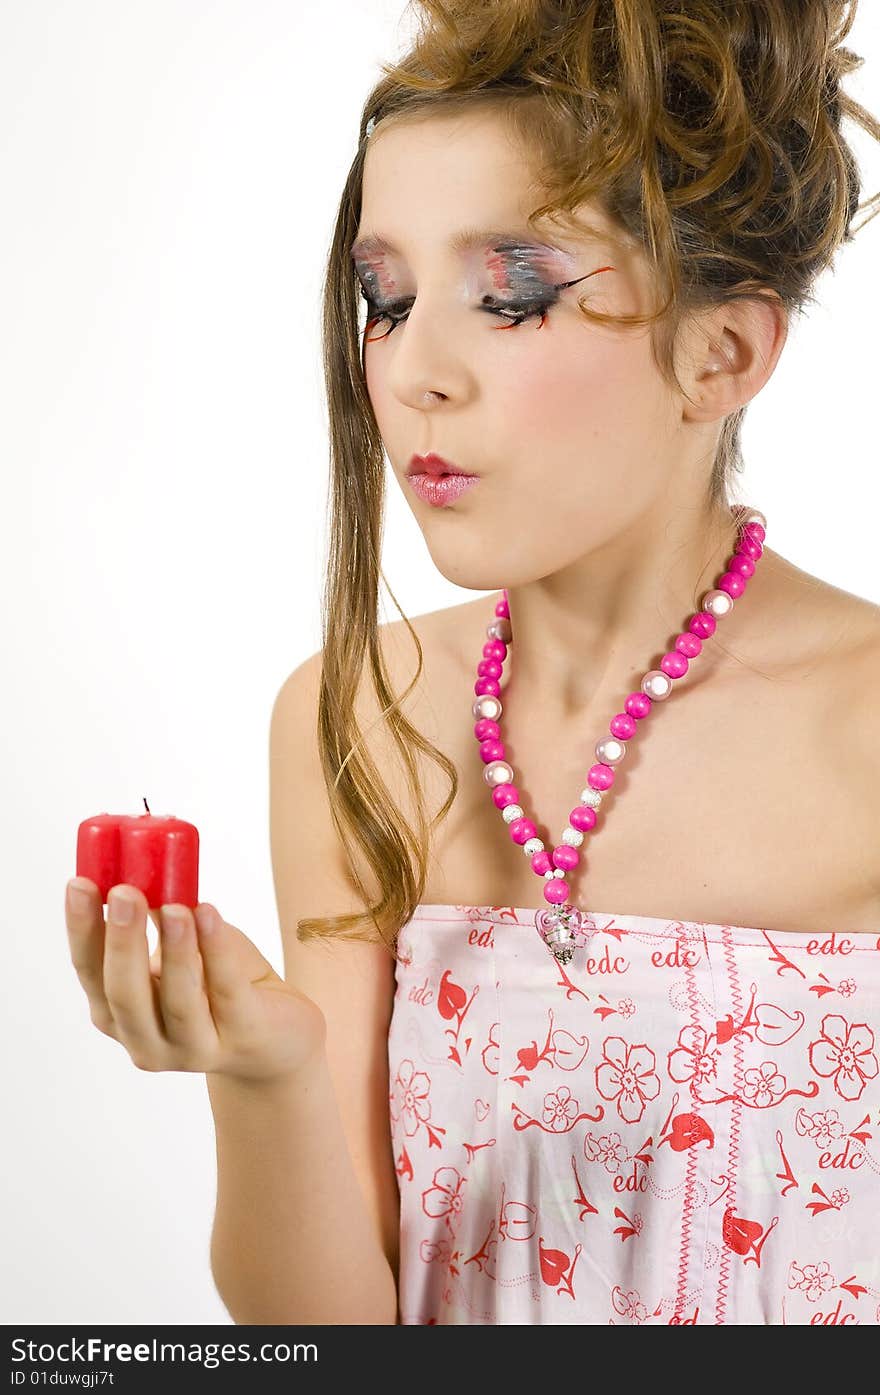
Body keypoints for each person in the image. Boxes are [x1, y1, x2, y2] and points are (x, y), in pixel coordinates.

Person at [65, 0, 880, 1325]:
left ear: (722, 353)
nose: (415, 373)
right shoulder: (359, 720)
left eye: (510, 296)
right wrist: (267, 1073)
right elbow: (322, 1336)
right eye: (384, 298)